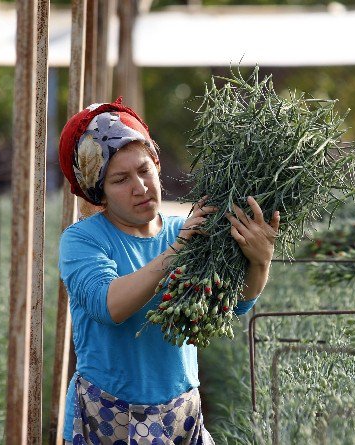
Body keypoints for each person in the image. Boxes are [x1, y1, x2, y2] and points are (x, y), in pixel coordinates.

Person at [57, 97, 279, 445]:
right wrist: (177, 251)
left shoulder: (187, 228)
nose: (140, 187)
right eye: (120, 179)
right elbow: (109, 305)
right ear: (99, 192)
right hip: (107, 416)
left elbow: (232, 304)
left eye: (144, 170)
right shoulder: (83, 240)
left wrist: (260, 261)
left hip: (180, 414)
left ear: (156, 165)